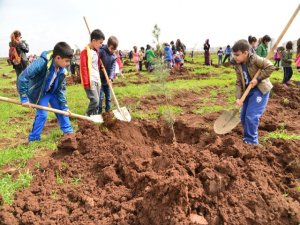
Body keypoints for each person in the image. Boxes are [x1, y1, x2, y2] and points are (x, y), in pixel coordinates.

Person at [17, 42, 74, 142]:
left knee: (62, 111)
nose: (68, 64)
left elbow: (61, 89)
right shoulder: (42, 63)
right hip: (41, 93)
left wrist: (64, 106)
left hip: (53, 92)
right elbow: (23, 77)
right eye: (66, 61)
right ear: (58, 58)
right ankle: (34, 139)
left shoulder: (62, 70)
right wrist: (24, 97)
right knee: (43, 114)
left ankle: (69, 134)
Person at [232, 39, 275, 145]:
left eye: (237, 54)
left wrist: (258, 79)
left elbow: (270, 67)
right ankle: (247, 138)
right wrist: (238, 97)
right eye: (234, 55)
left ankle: (251, 142)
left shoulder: (255, 59)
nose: (235, 57)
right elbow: (238, 82)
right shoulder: (238, 65)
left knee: (251, 116)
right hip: (248, 91)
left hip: (259, 90)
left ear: (245, 53)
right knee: (243, 117)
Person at [80, 29, 105, 116]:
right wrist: (86, 83)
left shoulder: (96, 52)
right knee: (95, 100)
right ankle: (87, 116)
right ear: (93, 40)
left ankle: (93, 118)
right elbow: (83, 68)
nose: (101, 45)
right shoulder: (84, 52)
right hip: (90, 81)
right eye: (100, 42)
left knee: (98, 102)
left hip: (97, 79)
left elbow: (96, 65)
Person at [98, 36, 118, 113]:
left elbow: (113, 68)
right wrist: (100, 66)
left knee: (108, 97)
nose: (113, 51)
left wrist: (110, 78)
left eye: (114, 49)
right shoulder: (101, 51)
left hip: (108, 80)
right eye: (112, 48)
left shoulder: (114, 57)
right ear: (108, 45)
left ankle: (108, 112)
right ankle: (99, 112)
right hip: (100, 78)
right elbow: (95, 60)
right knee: (100, 97)